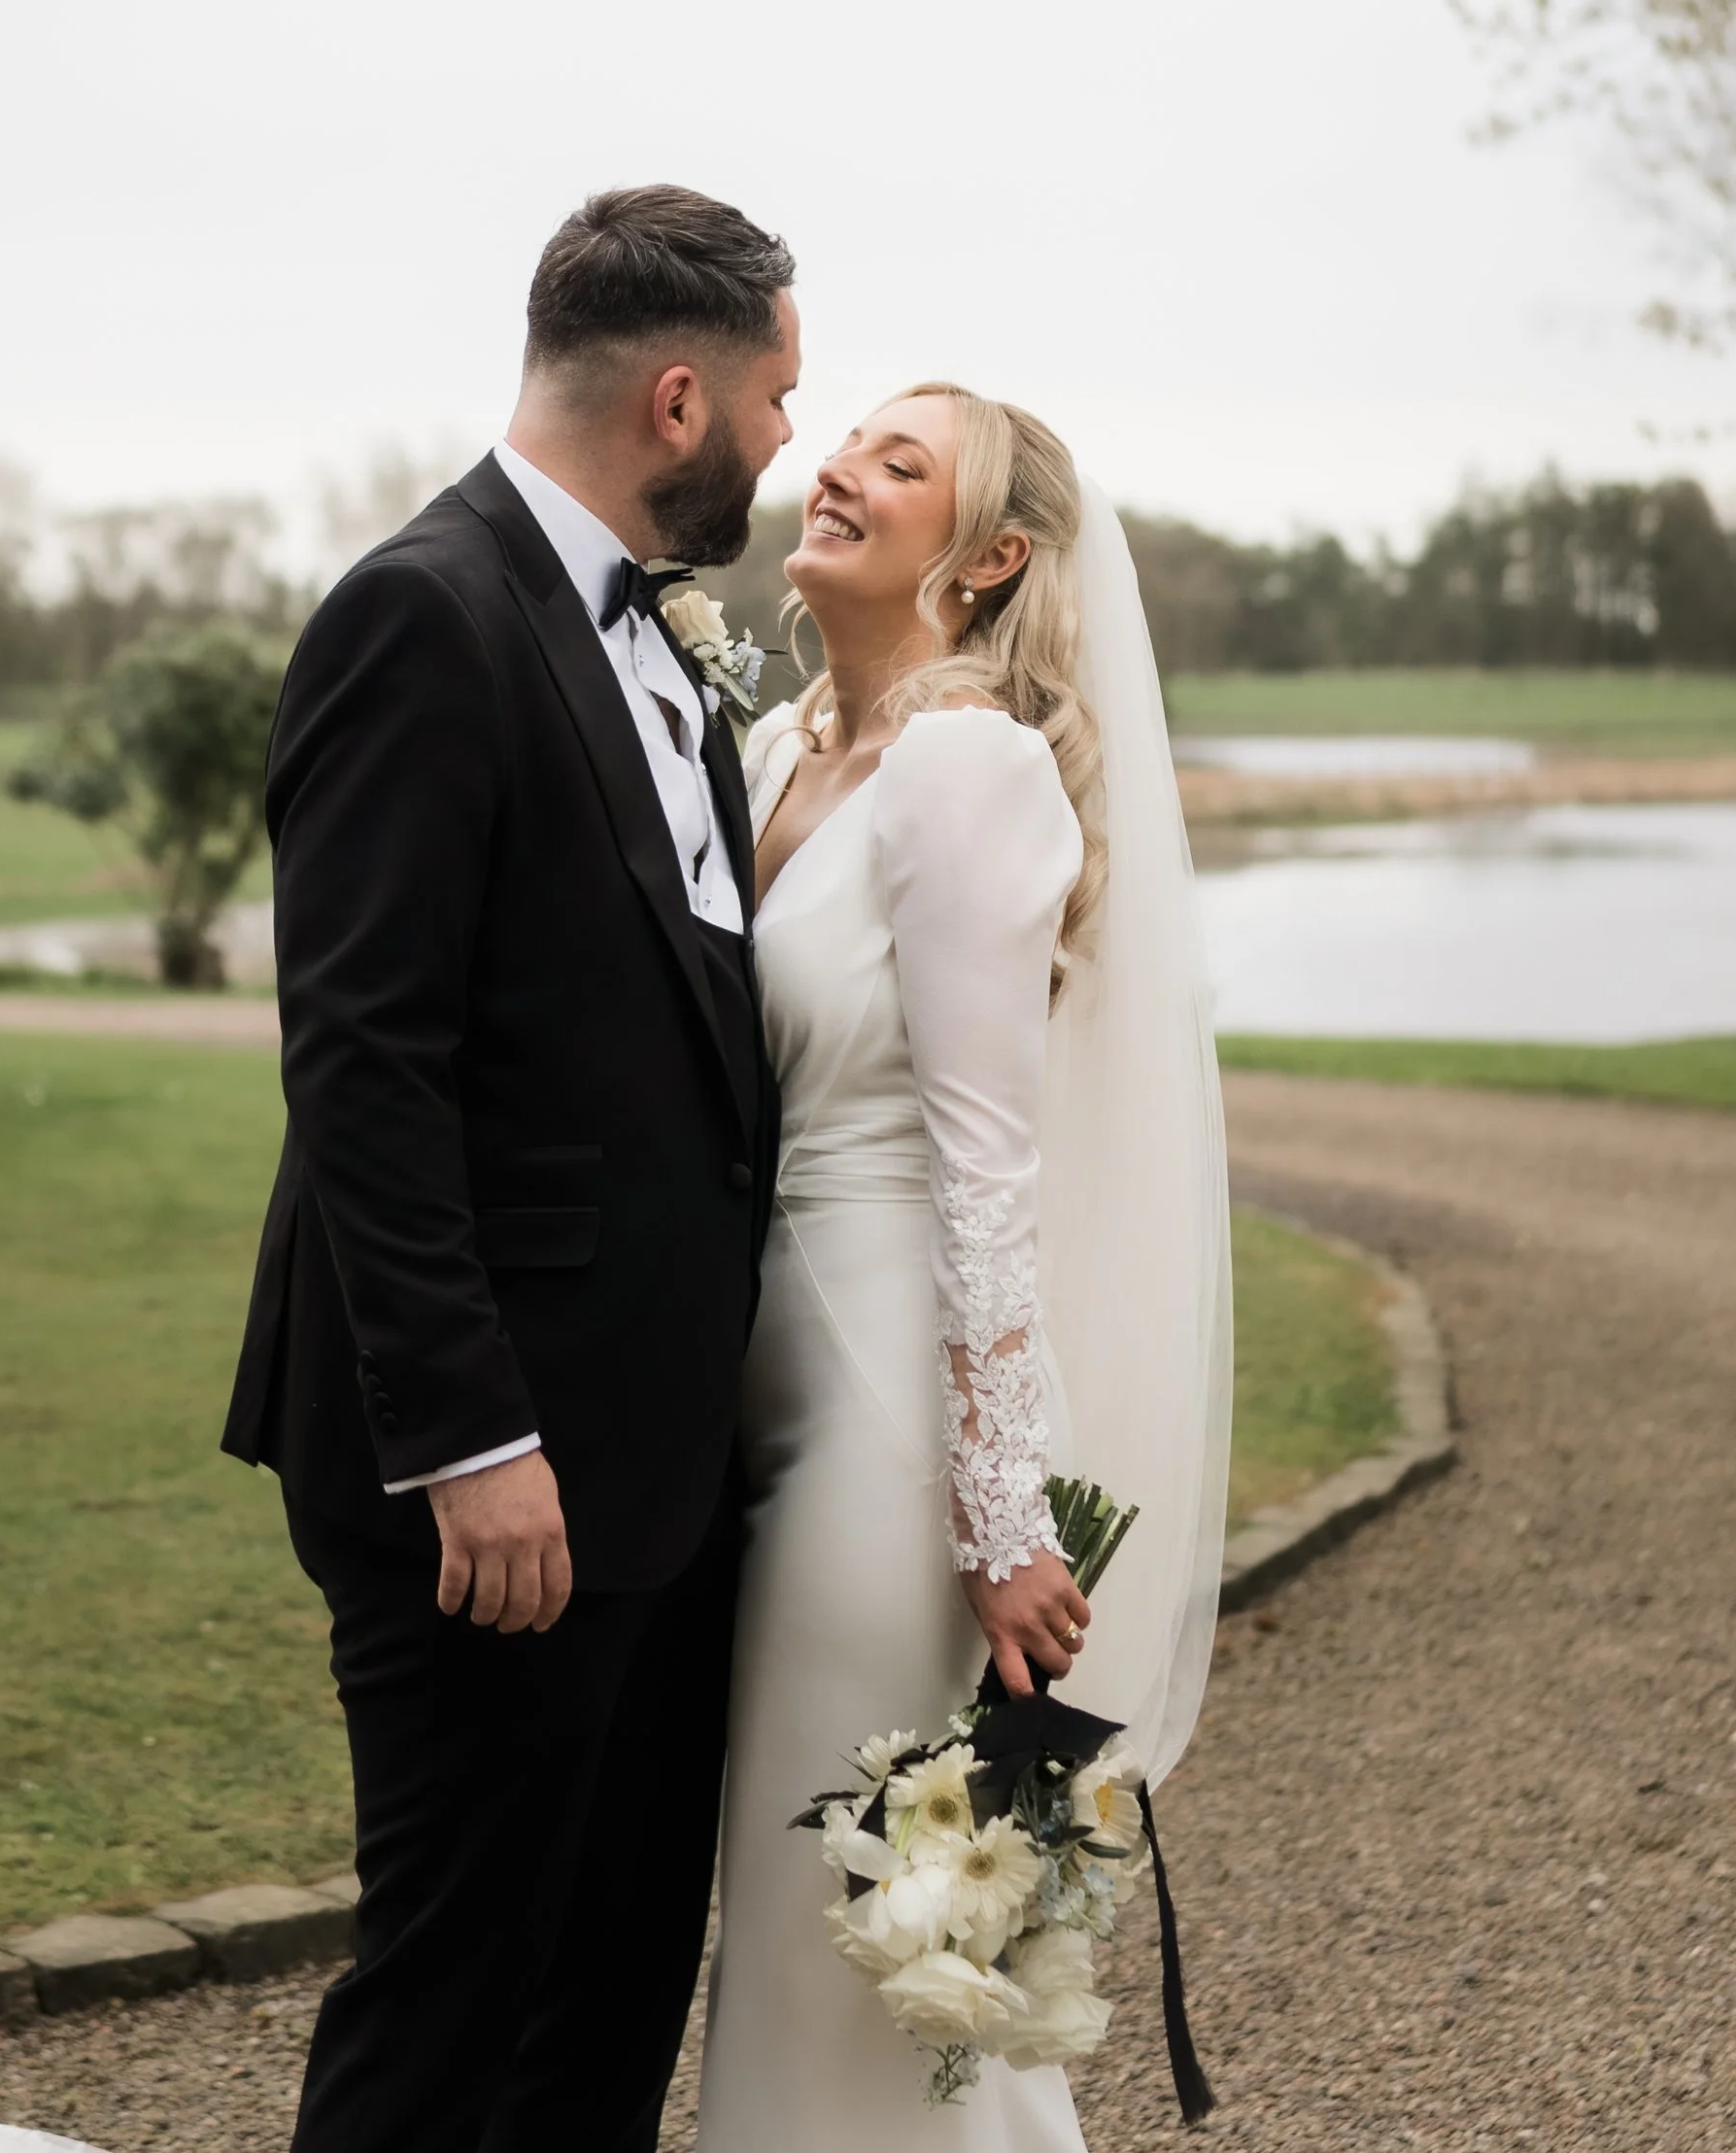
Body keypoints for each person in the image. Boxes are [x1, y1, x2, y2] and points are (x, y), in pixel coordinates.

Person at [221, 184, 799, 2153]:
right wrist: (466, 1438)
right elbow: (364, 1064)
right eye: (774, 401)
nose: (786, 443)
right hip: (494, 1478)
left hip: (653, 1469)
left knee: (606, 1993)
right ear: (672, 400)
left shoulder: (654, 643)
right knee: (453, 1998)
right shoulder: (425, 611)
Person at [696, 385, 1232, 2150]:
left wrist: (1003, 1515)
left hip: (880, 1422)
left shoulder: (969, 766)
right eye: (843, 436)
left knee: (838, 1934)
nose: (836, 465)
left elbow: (987, 1177)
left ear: (993, 558)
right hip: (740, 1394)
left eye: (898, 462)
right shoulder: (779, 753)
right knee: (791, 1931)